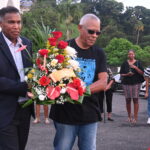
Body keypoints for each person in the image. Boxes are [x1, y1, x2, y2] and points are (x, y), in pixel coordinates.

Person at [50, 14, 107, 150]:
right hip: (64, 114)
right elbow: (51, 77)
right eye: (91, 31)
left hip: (90, 114)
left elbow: (103, 82)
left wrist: (80, 91)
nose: (94, 35)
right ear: (80, 28)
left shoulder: (99, 53)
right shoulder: (64, 48)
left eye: (97, 32)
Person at [0, 6, 34, 150]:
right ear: (1, 23)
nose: (16, 26)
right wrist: (24, 87)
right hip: (4, 111)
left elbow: (31, 72)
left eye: (19, 22)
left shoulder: (26, 44)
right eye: (11, 22)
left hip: (25, 109)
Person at [120, 49, 144, 124]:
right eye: (129, 54)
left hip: (136, 83)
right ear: (128, 55)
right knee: (128, 100)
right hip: (126, 83)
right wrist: (127, 74)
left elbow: (142, 73)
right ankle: (129, 116)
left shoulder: (138, 63)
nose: (131, 55)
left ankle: (135, 118)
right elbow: (121, 74)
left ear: (134, 55)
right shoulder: (124, 63)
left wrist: (135, 68)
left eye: (132, 54)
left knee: (135, 100)